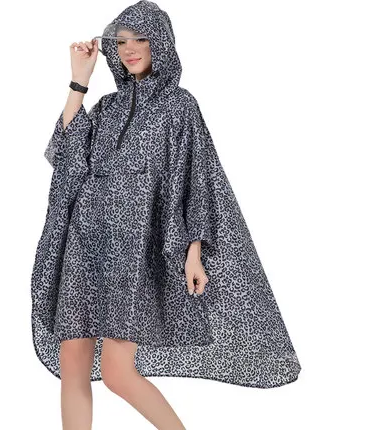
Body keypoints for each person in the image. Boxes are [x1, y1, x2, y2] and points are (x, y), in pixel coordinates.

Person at [31, 1, 302, 429]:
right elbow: (66, 157)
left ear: (160, 42)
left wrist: (194, 252)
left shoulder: (179, 105)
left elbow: (197, 178)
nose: (129, 49)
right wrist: (79, 81)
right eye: (121, 41)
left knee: (118, 373)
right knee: (73, 361)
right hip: (84, 241)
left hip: (134, 249)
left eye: (140, 39)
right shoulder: (105, 107)